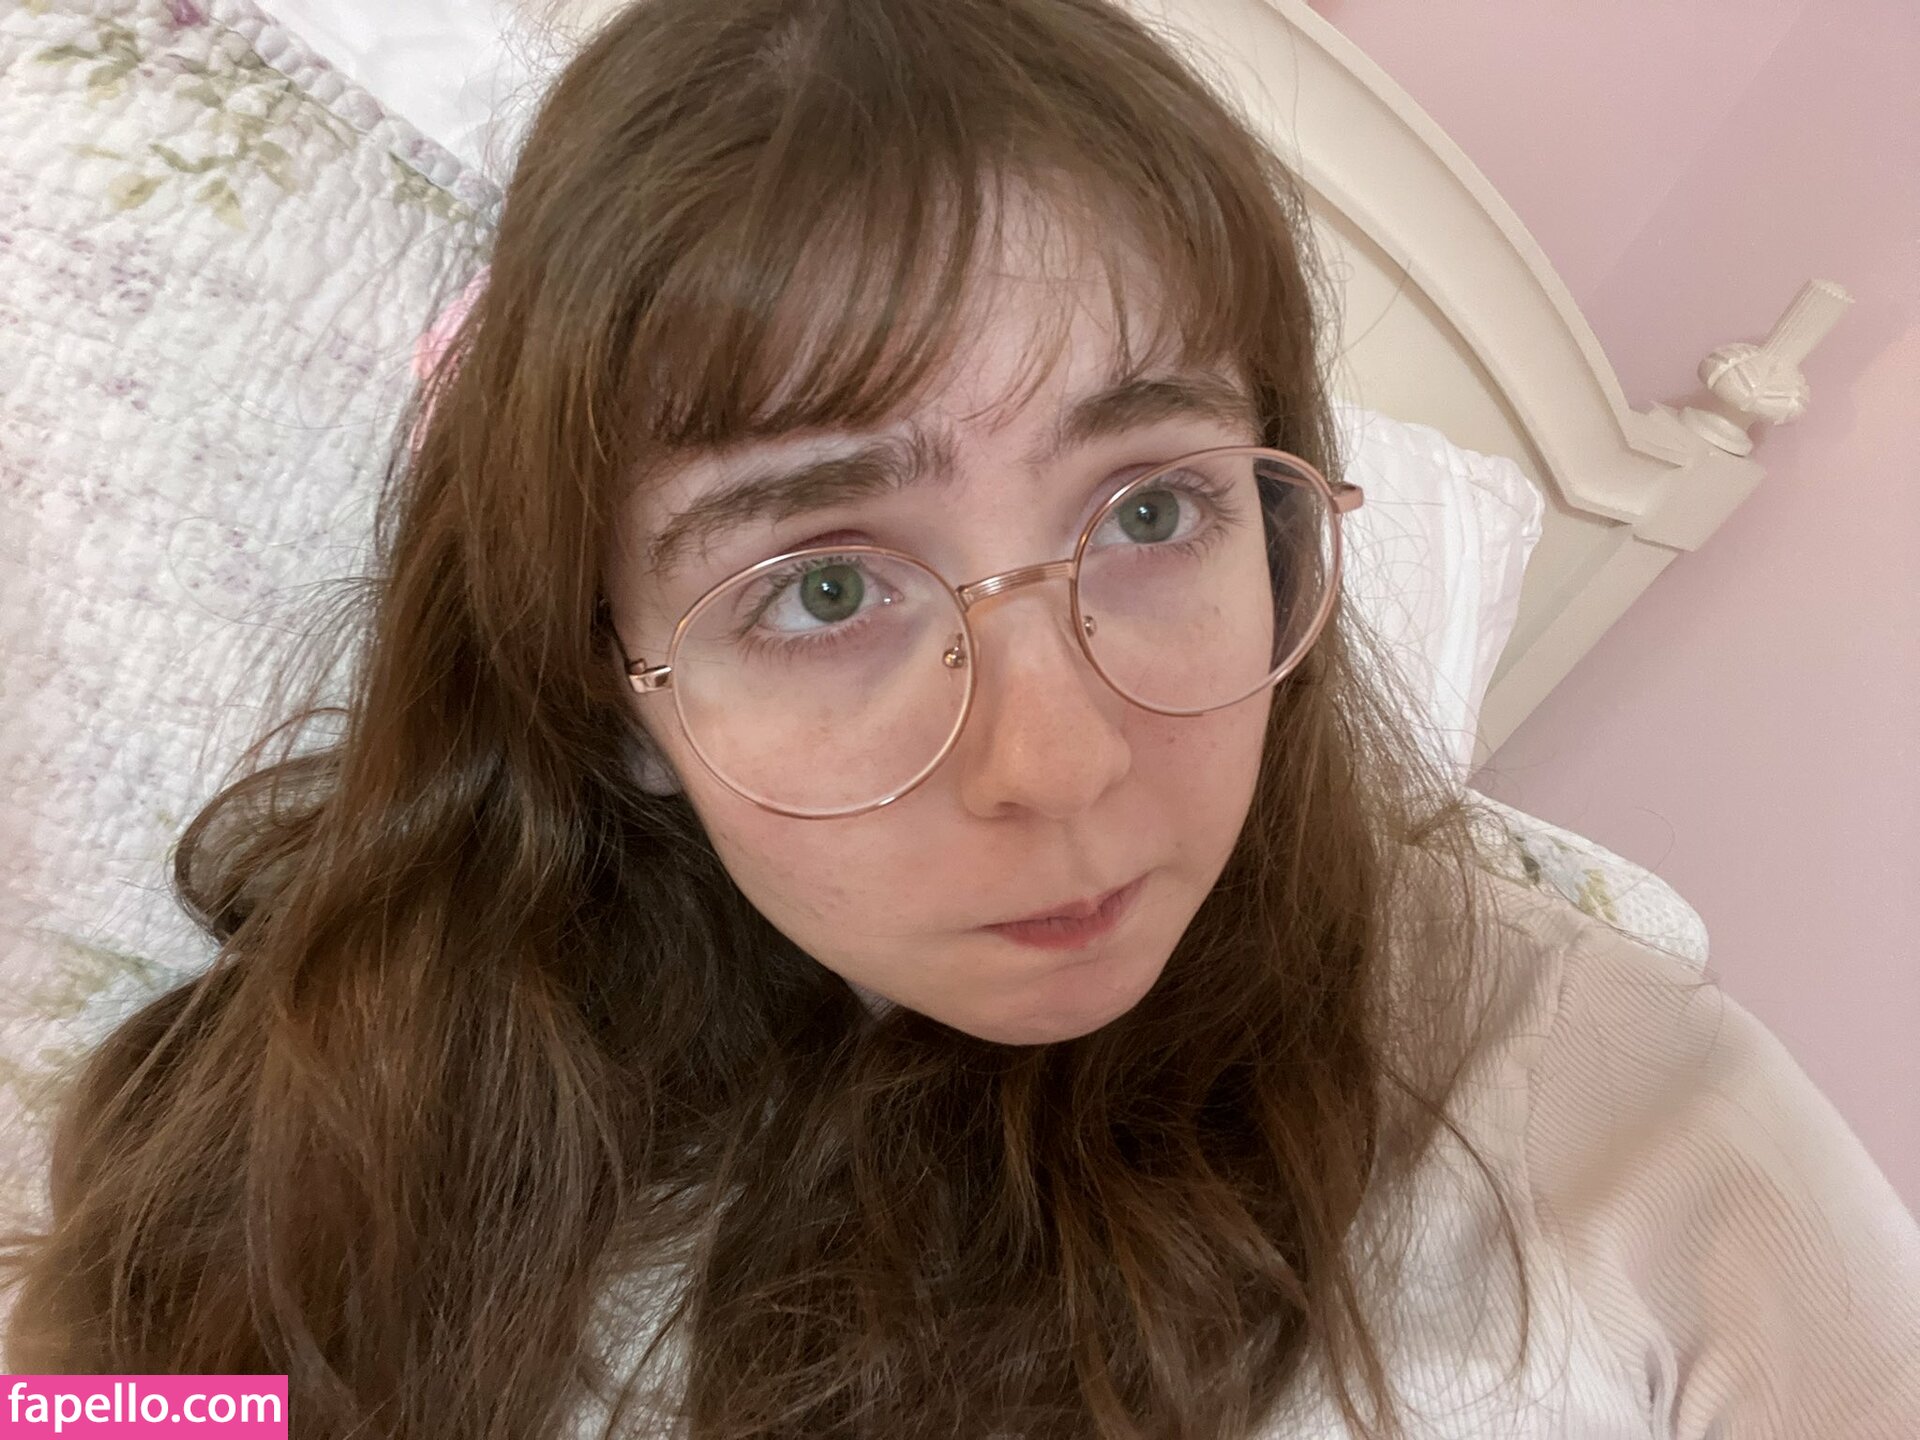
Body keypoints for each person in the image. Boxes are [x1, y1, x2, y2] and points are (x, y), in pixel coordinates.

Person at [4, 0, 1916, 1435]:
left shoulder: (1647, 1153)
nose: (1061, 764)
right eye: (827, 588)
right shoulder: (315, 1094)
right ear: (609, 680)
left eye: (1150, 513)